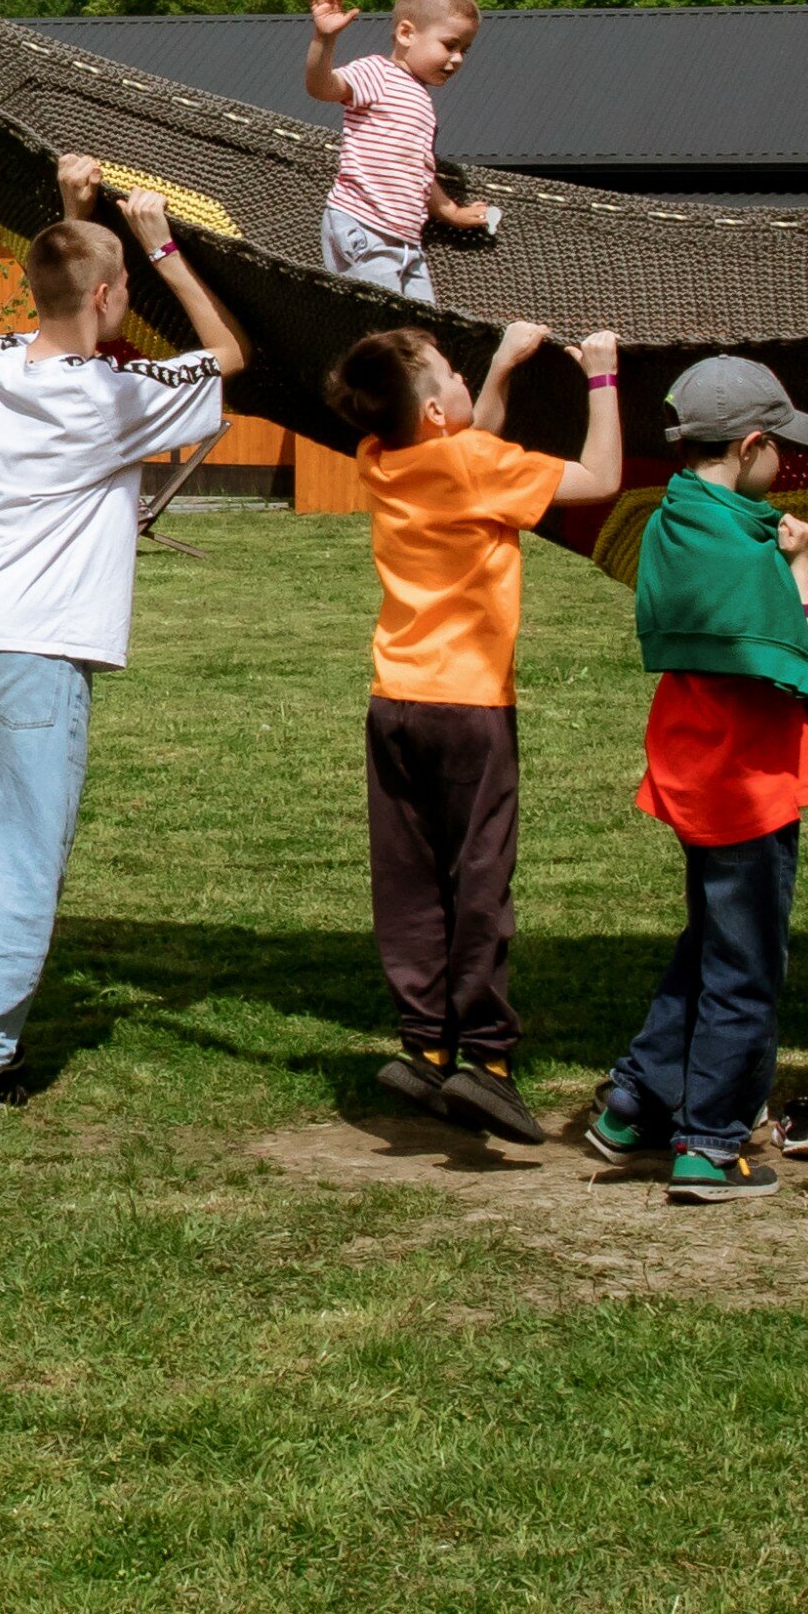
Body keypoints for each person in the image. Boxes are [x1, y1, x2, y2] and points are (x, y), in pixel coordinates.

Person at [0, 156, 247, 1113]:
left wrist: (77, 217)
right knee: (27, 842)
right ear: (107, 294)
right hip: (40, 640)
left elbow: (63, 310)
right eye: (123, 293)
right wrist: (167, 250)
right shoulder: (113, 400)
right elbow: (227, 356)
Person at [321, 316, 625, 1143]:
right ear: (434, 411)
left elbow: (465, 438)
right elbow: (600, 476)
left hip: (395, 701)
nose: (462, 384)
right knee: (479, 877)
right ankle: (485, 1062)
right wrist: (600, 375)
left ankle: (424, 1046)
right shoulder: (475, 462)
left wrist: (496, 367)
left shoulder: (382, 459)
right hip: (472, 709)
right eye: (452, 374)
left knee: (410, 879)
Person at [585, 357, 808, 1205]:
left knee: (708, 947)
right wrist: (804, 574)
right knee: (746, 969)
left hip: (693, 774)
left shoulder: (678, 518)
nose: (784, 462)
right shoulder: (752, 554)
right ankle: (710, 1145)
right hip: (747, 787)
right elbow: (798, 674)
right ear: (748, 444)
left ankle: (635, 1101)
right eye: (777, 446)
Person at [303, 0, 501, 303]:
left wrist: (451, 212)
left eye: (464, 50)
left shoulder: (420, 98)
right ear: (407, 34)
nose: (458, 59)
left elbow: (418, 170)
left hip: (407, 242)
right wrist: (323, 41)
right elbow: (322, 87)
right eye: (449, 45)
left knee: (422, 329)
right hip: (365, 225)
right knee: (385, 327)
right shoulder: (378, 74)